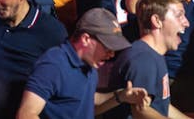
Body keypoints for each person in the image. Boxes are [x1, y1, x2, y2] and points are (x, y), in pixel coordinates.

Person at [18, 7, 149, 118]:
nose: (112, 54)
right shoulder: (54, 64)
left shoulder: (89, 65)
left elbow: (88, 101)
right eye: (107, 46)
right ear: (85, 39)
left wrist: (121, 96)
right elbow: (26, 114)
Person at [107, 0, 189, 118]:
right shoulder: (143, 59)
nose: (186, 23)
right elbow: (141, 111)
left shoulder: (153, 55)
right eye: (179, 15)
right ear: (157, 21)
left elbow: (161, 106)